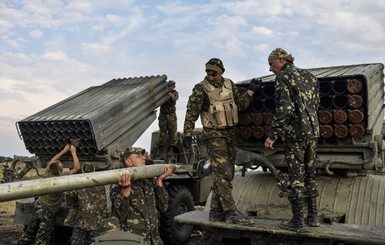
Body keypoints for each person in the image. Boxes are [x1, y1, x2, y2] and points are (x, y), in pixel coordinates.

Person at [182, 58, 259, 225]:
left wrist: (251, 91)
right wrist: (187, 133)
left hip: (231, 134)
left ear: (221, 72)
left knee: (227, 174)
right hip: (213, 135)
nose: (210, 76)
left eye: (214, 73)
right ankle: (231, 211)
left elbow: (242, 105)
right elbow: (191, 113)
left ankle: (216, 211)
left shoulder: (230, 85)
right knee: (223, 173)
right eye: (208, 73)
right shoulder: (200, 89)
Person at [264, 48, 320, 232]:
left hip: (295, 135)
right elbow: (316, 104)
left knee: (296, 177)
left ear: (281, 60)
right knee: (310, 174)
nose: (270, 68)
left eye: (271, 63)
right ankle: (313, 217)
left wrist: (273, 135)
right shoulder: (309, 76)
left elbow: (284, 108)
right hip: (312, 132)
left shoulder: (283, 77)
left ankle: (298, 221)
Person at [17, 142, 81, 245]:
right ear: (60, 172)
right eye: (62, 166)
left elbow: (52, 161)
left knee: (29, 232)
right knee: (43, 236)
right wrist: (73, 152)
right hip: (49, 212)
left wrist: (64, 151)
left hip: (39, 207)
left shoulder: (47, 172)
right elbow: (77, 168)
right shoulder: (60, 179)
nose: (62, 165)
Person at [110, 147, 173, 245]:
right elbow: (118, 216)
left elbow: (163, 207)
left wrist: (159, 182)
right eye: (138, 156)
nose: (143, 158)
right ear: (128, 162)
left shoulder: (149, 181)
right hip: (135, 240)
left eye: (143, 155)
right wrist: (126, 190)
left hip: (154, 239)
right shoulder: (118, 185)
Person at [65, 163, 108, 245]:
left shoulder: (79, 184)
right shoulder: (101, 185)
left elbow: (69, 197)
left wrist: (74, 206)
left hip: (81, 223)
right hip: (97, 223)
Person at [158, 80, 179, 154]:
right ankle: (160, 149)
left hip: (171, 115)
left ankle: (171, 149)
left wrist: (171, 95)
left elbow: (175, 99)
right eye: (168, 86)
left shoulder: (175, 93)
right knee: (162, 133)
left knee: (173, 132)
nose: (168, 87)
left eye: (170, 86)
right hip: (163, 114)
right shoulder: (163, 93)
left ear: (173, 87)